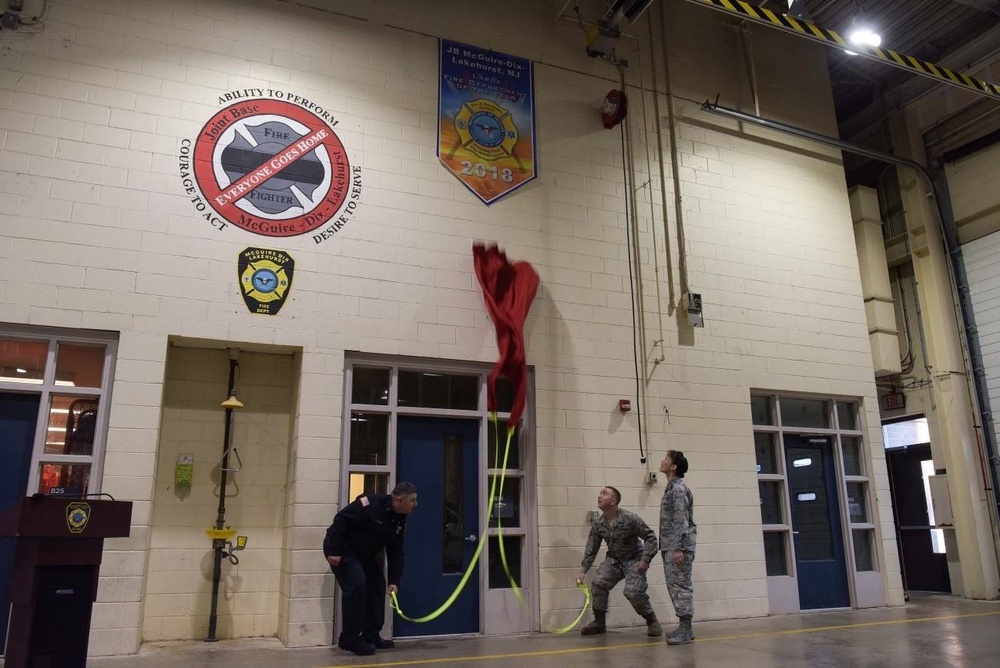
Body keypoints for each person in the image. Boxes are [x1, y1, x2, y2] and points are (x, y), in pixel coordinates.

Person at [323, 482, 418, 656]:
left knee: (377, 585)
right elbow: (341, 519)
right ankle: (349, 639)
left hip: (363, 554)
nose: (415, 504)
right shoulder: (371, 504)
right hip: (343, 548)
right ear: (399, 499)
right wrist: (334, 550)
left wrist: (394, 581)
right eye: (412, 500)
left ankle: (371, 635)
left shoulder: (399, 518)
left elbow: (396, 550)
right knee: (358, 584)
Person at [577, 486, 662, 637]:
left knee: (632, 592)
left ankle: (652, 621)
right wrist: (583, 570)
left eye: (604, 493)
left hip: (634, 559)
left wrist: (646, 560)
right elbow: (592, 547)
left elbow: (650, 537)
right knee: (598, 583)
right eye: (600, 493)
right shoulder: (598, 523)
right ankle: (599, 622)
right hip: (614, 559)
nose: (599, 496)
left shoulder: (630, 518)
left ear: (613, 501)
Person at [659, 450, 697, 645]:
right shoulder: (671, 487)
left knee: (680, 586)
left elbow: (681, 520)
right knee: (676, 586)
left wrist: (678, 548)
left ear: (674, 466)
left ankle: (685, 628)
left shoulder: (678, 489)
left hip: (677, 547)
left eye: (666, 458)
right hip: (671, 546)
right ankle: (685, 628)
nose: (662, 460)